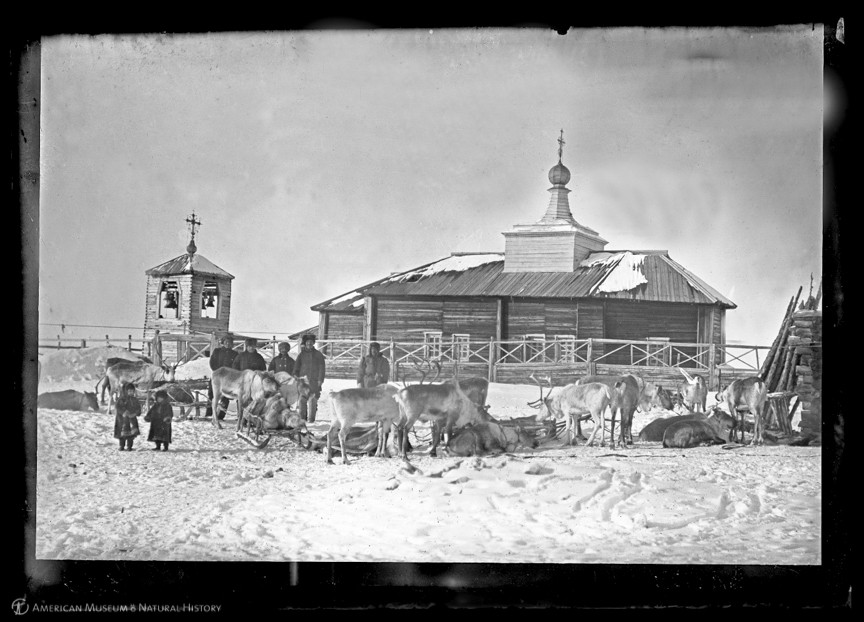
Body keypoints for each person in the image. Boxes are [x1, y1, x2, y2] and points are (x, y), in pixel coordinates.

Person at [294, 334, 326, 423]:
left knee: (313, 399)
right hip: (303, 381)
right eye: (307, 342)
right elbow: (296, 366)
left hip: (314, 381)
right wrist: (296, 376)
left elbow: (322, 368)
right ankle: (302, 419)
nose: (309, 344)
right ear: (305, 343)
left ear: (313, 343)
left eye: (311, 342)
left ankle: (311, 420)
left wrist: (320, 380)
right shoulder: (301, 355)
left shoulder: (318, 354)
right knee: (302, 400)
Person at [207, 335, 238, 419]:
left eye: (230, 343)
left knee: (225, 396)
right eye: (226, 342)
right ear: (223, 342)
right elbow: (212, 362)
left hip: (228, 379)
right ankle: (209, 414)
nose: (228, 344)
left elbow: (235, 366)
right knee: (211, 394)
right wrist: (217, 372)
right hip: (217, 377)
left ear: (232, 344)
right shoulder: (217, 351)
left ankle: (221, 415)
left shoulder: (235, 354)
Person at [113, 382, 141, 451]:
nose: (131, 393)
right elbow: (117, 407)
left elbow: (138, 408)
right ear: (125, 391)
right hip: (122, 420)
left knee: (131, 435)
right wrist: (123, 412)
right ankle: (121, 446)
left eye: (132, 391)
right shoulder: (121, 399)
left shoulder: (135, 400)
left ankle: (129, 446)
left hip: (131, 419)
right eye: (129, 391)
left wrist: (135, 413)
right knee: (122, 434)